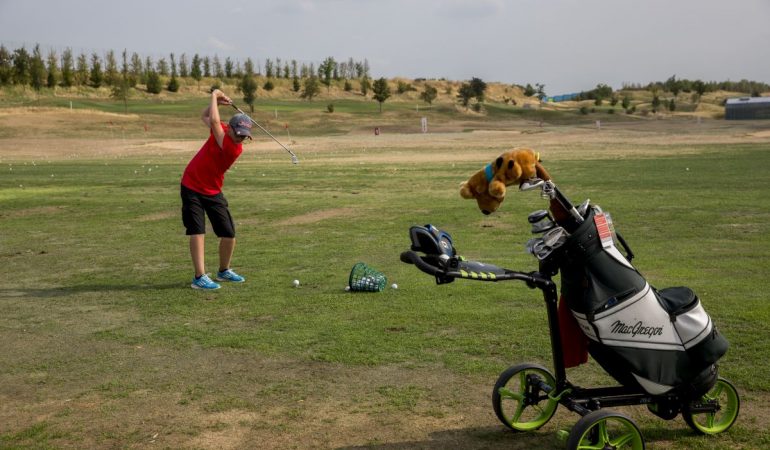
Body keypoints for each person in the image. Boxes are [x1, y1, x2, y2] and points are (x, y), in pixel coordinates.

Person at [180, 89, 252, 290]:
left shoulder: (233, 147)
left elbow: (212, 122)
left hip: (212, 190)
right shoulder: (222, 129)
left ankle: (223, 270)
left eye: (244, 137)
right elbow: (206, 116)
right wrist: (217, 105)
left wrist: (214, 95)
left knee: (228, 233)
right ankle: (199, 276)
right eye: (239, 134)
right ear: (229, 128)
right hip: (191, 184)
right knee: (197, 230)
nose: (241, 139)